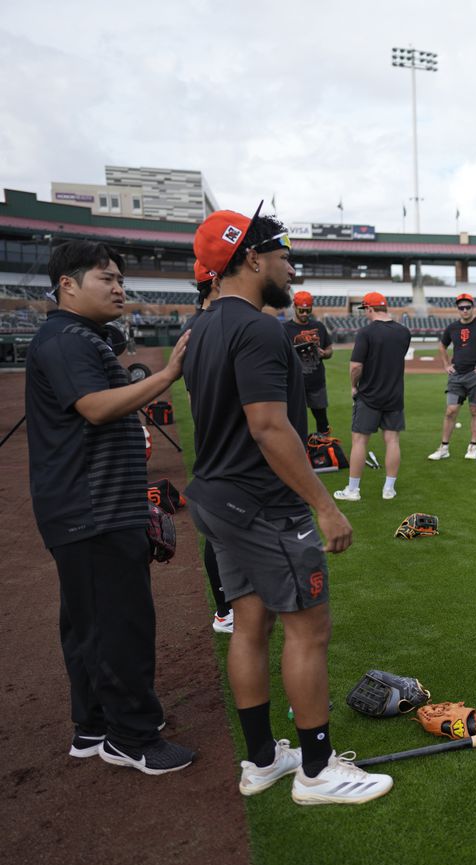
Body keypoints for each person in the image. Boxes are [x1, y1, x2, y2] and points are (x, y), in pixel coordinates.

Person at [185, 203, 391, 805]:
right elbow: (270, 428)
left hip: (218, 499)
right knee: (308, 630)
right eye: (283, 255)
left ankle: (262, 761)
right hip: (265, 506)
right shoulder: (259, 328)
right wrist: (325, 505)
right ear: (252, 258)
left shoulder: (201, 328)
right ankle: (318, 771)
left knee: (249, 626)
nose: (291, 266)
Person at [26, 240, 196, 773]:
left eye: (121, 277)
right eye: (106, 278)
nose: (120, 286)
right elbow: (95, 409)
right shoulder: (69, 339)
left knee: (89, 623)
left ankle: (95, 726)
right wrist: (166, 376)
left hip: (87, 504)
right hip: (92, 507)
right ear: (68, 286)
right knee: (120, 623)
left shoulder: (74, 336)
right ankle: (133, 737)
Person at [184, 260, 234, 634]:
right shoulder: (213, 324)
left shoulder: (193, 325)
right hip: (226, 442)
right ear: (215, 281)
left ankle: (226, 608)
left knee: (222, 528)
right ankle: (224, 610)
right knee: (222, 530)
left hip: (211, 437)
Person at [333, 291, 411, 501]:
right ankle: (389, 489)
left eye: (365, 310)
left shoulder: (366, 332)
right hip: (394, 394)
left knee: (359, 441)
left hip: (369, 394)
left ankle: (353, 490)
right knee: (392, 440)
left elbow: (356, 366)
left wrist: (354, 386)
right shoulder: (404, 332)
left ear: (369, 308)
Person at [428, 292, 476, 460]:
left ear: (473, 308)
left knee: (475, 410)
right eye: (461, 308)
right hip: (456, 375)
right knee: (450, 411)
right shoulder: (452, 328)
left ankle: (472, 446)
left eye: (467, 307)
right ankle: (444, 448)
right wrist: (446, 364)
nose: (464, 310)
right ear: (458, 309)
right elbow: (442, 346)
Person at [284, 291, 334, 435]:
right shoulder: (285, 329)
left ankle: (324, 451)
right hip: (294, 383)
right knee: (293, 420)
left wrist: (325, 353)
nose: (305, 314)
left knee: (322, 420)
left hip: (316, 382)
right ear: (294, 306)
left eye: (308, 310)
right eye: (302, 310)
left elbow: (329, 349)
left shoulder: (319, 326)